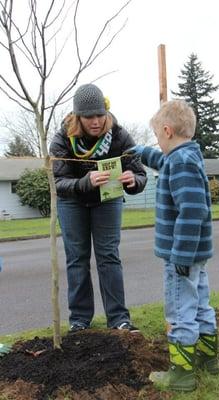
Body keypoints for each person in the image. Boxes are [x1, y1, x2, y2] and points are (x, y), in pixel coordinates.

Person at [125, 100, 219, 392]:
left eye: (156, 138)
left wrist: (180, 254)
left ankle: (181, 376)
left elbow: (192, 211)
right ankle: (207, 359)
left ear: (167, 131)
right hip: (195, 255)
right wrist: (142, 153)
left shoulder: (181, 163)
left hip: (183, 256)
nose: (156, 143)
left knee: (179, 311)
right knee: (200, 305)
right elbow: (162, 160)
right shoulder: (185, 156)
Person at [50, 83, 147, 333]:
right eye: (89, 116)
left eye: (100, 115)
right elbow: (59, 183)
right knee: (77, 259)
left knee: (108, 257)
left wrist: (133, 181)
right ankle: (79, 320)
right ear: (77, 117)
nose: (95, 121)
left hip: (108, 200)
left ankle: (118, 318)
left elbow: (140, 173)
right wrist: (85, 181)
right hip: (72, 202)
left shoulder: (121, 136)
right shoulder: (62, 139)